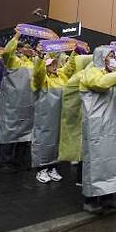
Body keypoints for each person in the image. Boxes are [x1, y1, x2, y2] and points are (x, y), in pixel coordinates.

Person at [80, 46, 116, 214]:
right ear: (101, 57)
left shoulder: (110, 71)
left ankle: (108, 198)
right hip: (96, 126)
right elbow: (100, 84)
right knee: (96, 161)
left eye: (113, 56)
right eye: (109, 56)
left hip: (111, 125)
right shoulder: (91, 71)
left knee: (111, 160)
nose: (112, 58)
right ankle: (90, 200)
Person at [31, 50, 78, 184]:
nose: (55, 67)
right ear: (45, 66)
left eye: (55, 64)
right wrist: (40, 58)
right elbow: (37, 74)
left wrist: (75, 52)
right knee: (44, 141)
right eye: (51, 65)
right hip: (44, 117)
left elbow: (69, 67)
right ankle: (41, 169)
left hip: (59, 116)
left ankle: (52, 167)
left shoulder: (61, 76)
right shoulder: (41, 80)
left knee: (56, 141)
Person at [0, 29, 37, 173]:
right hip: (12, 103)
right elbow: (6, 52)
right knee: (9, 132)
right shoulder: (12, 60)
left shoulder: (32, 63)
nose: (29, 50)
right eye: (25, 47)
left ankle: (20, 161)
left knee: (26, 133)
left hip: (28, 104)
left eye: (29, 48)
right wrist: (17, 35)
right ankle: (4, 161)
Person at [57, 54, 93, 185]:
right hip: (80, 116)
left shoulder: (78, 76)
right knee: (83, 147)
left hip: (79, 115)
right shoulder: (82, 77)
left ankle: (80, 175)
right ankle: (80, 178)